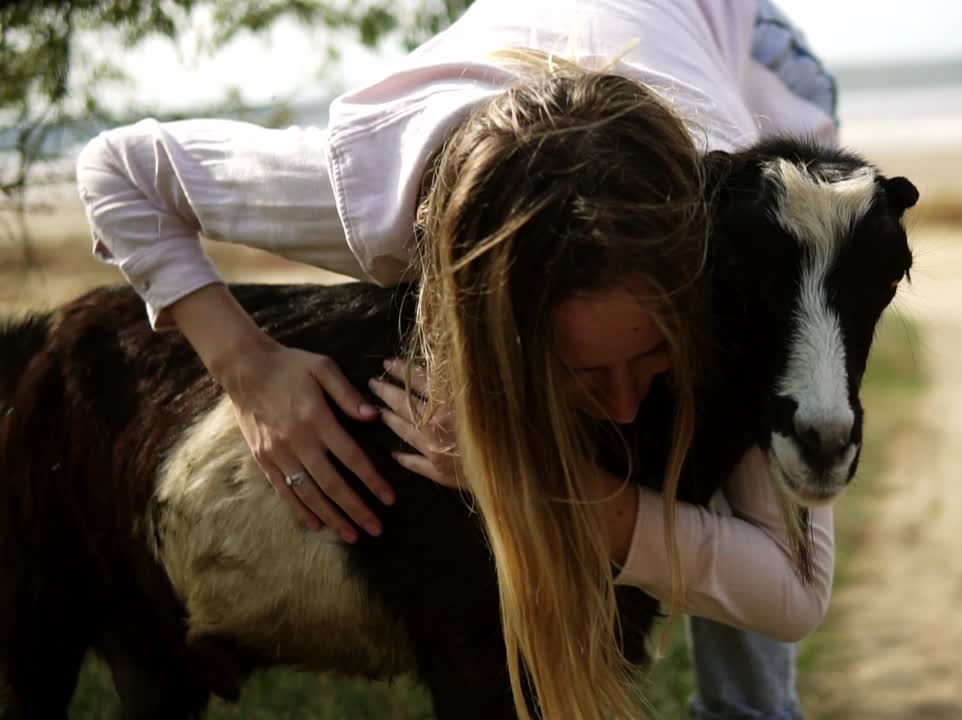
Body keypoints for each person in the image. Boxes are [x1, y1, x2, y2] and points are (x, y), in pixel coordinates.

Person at [76, 1, 840, 718]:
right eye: (578, 371)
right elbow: (118, 169)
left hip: (756, 52)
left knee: (741, 460)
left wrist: (530, 479)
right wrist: (248, 369)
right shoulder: (368, 189)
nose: (623, 406)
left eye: (651, 356)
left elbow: (795, 593)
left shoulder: (743, 246)